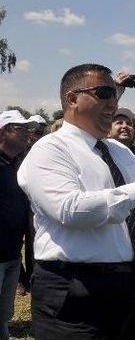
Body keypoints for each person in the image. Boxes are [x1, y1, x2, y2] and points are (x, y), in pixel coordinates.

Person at [17, 63, 135, 339]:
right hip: (77, 290)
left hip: (133, 285)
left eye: (115, 95)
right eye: (104, 92)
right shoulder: (49, 150)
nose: (113, 102)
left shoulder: (118, 151)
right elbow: (70, 210)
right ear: (72, 99)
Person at [0, 110, 33, 340]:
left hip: (12, 253)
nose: (27, 134)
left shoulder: (18, 164)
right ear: (3, 131)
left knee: (4, 312)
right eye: (21, 129)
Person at [15, 114, 48, 296]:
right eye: (34, 132)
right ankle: (20, 278)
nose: (36, 136)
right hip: (15, 203)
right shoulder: (18, 152)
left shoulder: (43, 150)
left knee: (33, 239)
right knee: (15, 241)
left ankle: (31, 276)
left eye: (40, 132)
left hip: (33, 203)